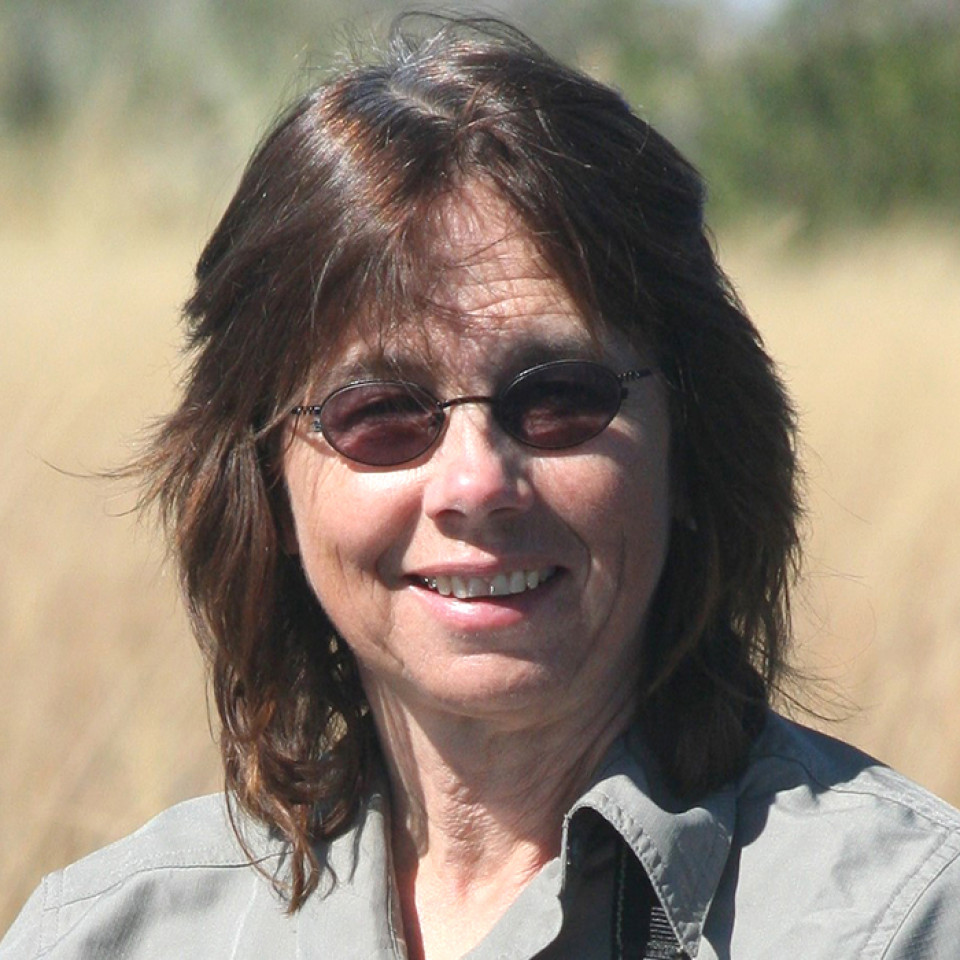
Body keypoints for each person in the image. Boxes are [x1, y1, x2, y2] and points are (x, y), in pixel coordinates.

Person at [2, 14, 958, 960]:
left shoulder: (899, 921)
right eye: (380, 414)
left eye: (559, 400)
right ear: (266, 482)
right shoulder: (113, 933)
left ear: (689, 451)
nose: (474, 482)